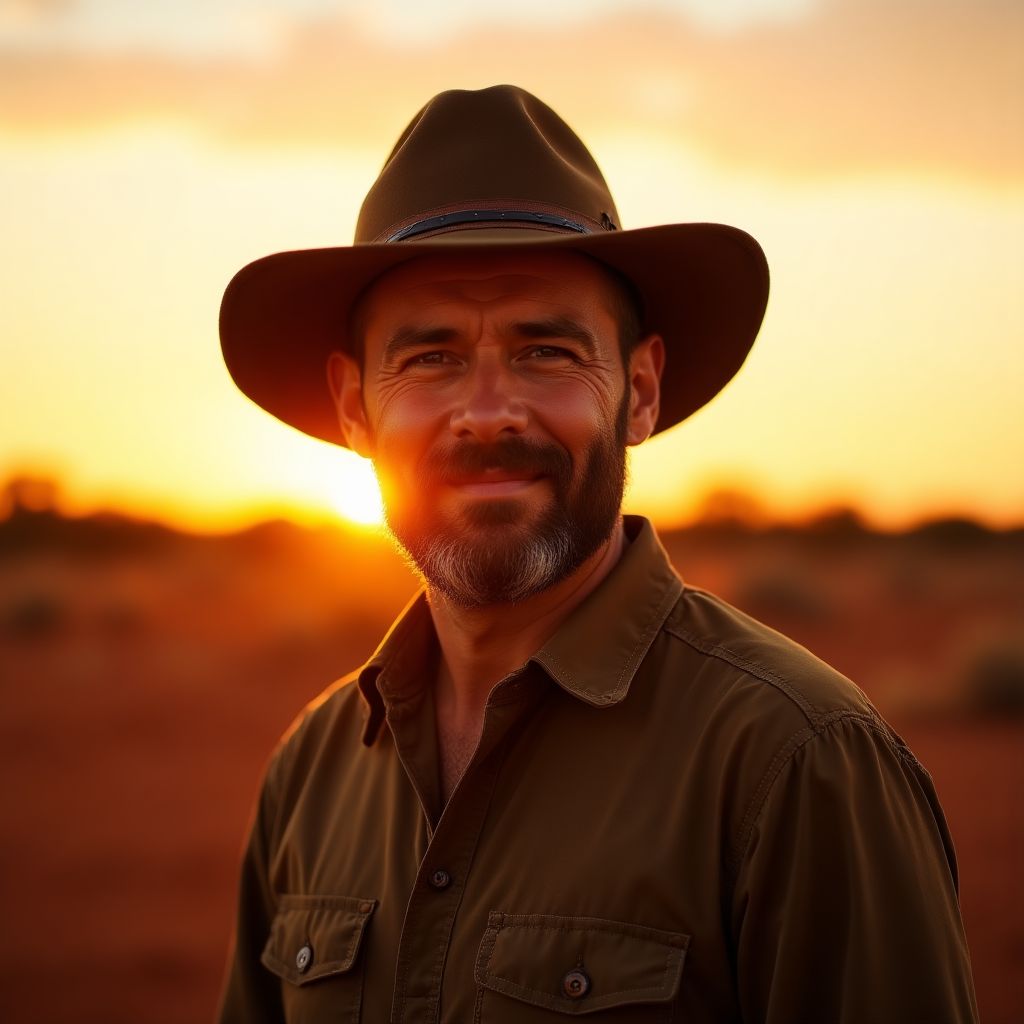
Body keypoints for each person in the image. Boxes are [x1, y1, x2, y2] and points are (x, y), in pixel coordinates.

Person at [216, 85, 978, 1023]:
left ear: (641, 391)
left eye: (546, 351)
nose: (488, 411)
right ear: (352, 408)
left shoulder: (796, 759)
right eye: (429, 358)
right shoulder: (312, 767)